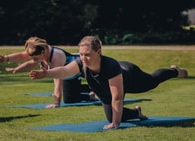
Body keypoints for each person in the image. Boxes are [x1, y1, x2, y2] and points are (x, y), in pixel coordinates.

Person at [29, 35, 188, 130]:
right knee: (110, 115)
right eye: (82, 54)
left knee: (152, 81)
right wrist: (46, 74)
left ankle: (174, 70)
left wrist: (116, 124)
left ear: (99, 52)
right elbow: (64, 71)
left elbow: (117, 98)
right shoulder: (81, 63)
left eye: (88, 54)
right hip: (104, 90)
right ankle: (136, 113)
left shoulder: (110, 66)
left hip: (129, 76)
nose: (84, 58)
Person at [0, 36, 97, 108]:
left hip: (84, 68)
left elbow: (57, 82)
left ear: (42, 52)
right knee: (69, 99)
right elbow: (22, 56)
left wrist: (56, 103)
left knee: (100, 86)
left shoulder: (56, 56)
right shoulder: (40, 53)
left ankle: (95, 88)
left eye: (36, 58)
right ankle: (91, 95)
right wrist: (5, 59)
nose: (35, 60)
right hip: (70, 76)